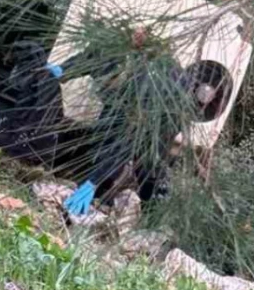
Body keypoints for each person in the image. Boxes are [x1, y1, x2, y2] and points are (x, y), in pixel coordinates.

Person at [61, 41, 218, 217]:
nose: (101, 88)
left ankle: (153, 214)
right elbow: (90, 57)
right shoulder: (118, 59)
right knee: (103, 140)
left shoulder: (145, 89)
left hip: (165, 117)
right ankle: (100, 192)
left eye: (106, 84)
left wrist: (92, 181)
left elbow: (124, 144)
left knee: (148, 163)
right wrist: (61, 70)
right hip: (137, 104)